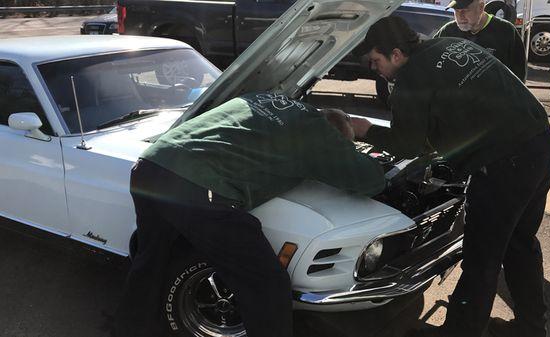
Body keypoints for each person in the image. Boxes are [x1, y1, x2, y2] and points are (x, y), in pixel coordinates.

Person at [113, 92, 386, 337]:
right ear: (338, 137)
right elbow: (371, 180)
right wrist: (365, 139)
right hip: (196, 185)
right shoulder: (318, 134)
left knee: (152, 260)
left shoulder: (270, 99)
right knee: (266, 282)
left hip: (150, 166)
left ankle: (128, 330)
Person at [352, 16, 550, 337]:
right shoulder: (450, 44)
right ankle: (531, 328)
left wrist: (362, 130)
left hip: (506, 162)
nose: (374, 69)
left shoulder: (411, 78)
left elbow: (408, 143)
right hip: (541, 144)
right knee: (519, 243)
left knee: (481, 255)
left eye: (375, 61)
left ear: (395, 54)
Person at [434, 0, 527, 82]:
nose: (460, 16)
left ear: (481, 7)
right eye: (456, 10)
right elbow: (430, 61)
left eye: (465, 10)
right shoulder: (448, 31)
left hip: (493, 99)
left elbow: (519, 76)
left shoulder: (505, 31)